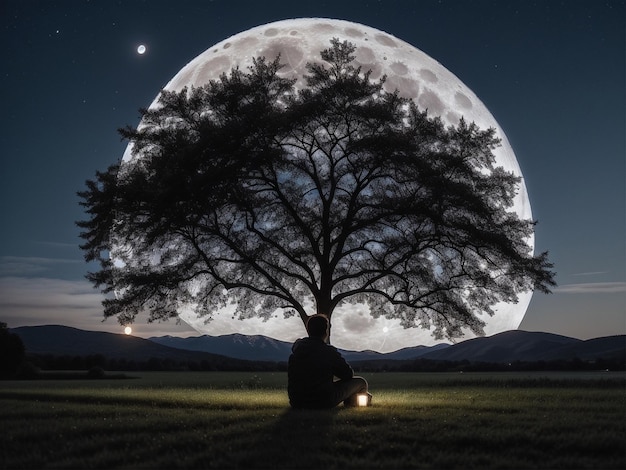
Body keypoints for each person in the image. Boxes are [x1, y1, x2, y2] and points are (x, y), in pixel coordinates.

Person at [287, 314, 371, 409]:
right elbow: (347, 374)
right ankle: (352, 404)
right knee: (361, 382)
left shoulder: (297, 350)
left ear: (308, 330)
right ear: (326, 331)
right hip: (323, 400)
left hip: (297, 402)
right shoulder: (328, 351)